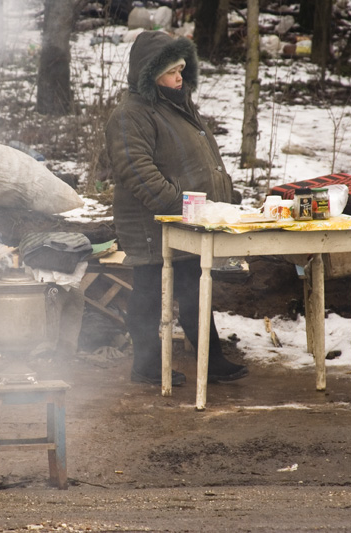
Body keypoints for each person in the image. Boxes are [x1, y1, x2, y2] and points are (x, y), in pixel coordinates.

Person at [105, 30, 248, 386]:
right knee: (149, 291)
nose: (179, 77)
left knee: (195, 288)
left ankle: (212, 361)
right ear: (149, 74)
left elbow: (200, 161)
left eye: (182, 68)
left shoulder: (179, 108)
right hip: (151, 223)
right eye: (171, 71)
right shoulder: (130, 115)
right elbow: (137, 172)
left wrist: (225, 197)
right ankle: (146, 366)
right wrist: (178, 204)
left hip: (186, 220)